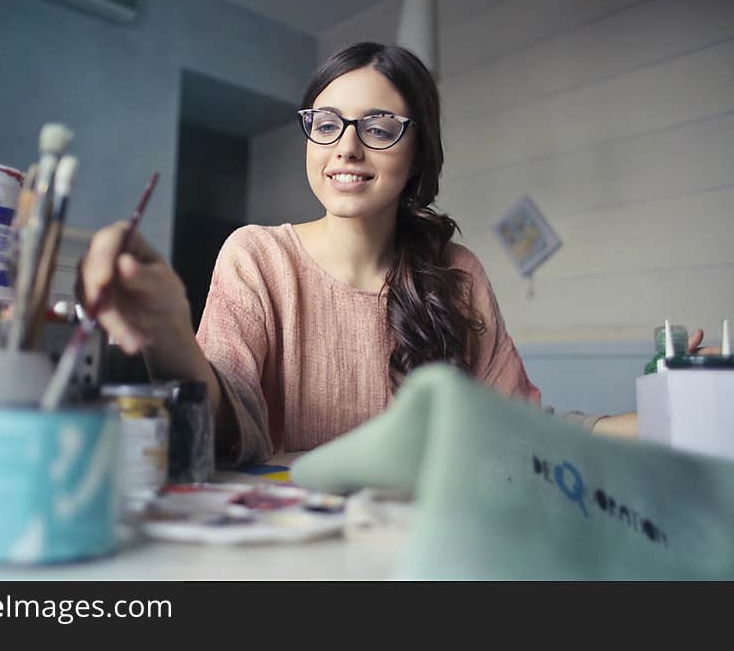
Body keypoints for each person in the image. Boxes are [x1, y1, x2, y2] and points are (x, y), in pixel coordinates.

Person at [79, 42, 688, 465]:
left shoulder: (456, 273)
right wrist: (169, 338)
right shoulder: (257, 258)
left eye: (378, 127)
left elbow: (517, 432)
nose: (347, 148)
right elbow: (225, 429)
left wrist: (681, 407)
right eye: (326, 123)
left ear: (418, 151)